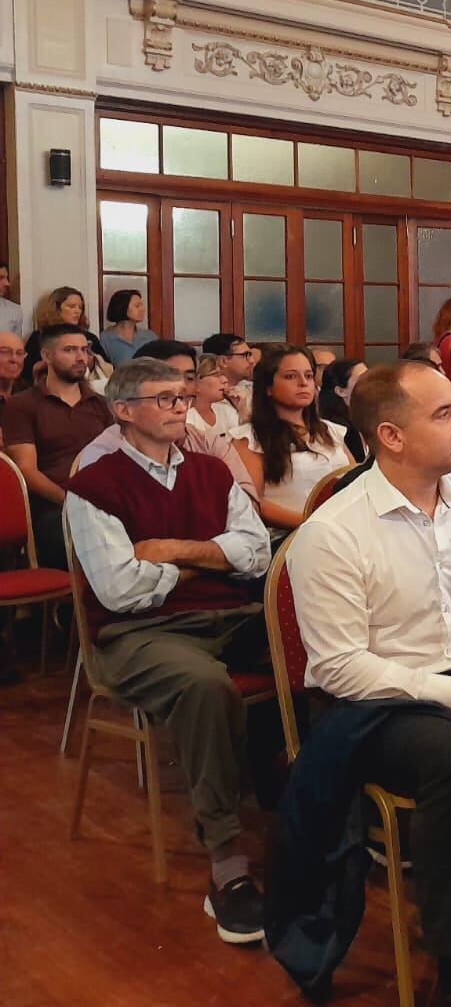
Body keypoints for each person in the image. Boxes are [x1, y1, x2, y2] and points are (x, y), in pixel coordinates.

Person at [287, 362, 451, 1007]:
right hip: (372, 702)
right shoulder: (334, 531)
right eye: (443, 413)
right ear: (391, 436)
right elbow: (340, 666)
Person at [63, 357, 271, 943]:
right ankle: (227, 864)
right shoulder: (93, 486)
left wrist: (173, 551)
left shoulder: (210, 471)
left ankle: (327, 808)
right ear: (124, 412)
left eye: (182, 396)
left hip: (228, 617)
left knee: (313, 646)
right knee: (204, 685)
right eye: (165, 399)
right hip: (138, 635)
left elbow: (256, 554)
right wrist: (212, 558)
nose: (181, 407)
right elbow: (121, 590)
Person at [79, 341, 258, 504]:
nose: (180, 389)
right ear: (125, 409)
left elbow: (247, 505)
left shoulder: (208, 445)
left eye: (189, 378)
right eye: (164, 388)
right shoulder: (102, 459)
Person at [2, 324, 115, 568]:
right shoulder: (22, 405)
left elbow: (117, 457)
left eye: (84, 350)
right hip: (53, 503)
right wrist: (70, 501)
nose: (81, 357)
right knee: (83, 538)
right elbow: (27, 471)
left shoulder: (101, 404)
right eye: (70, 350)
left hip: (104, 498)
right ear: (47, 355)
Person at [231, 347, 351, 538]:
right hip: (289, 537)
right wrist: (313, 524)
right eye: (291, 377)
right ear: (268, 387)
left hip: (343, 531)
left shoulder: (330, 430)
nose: (303, 383)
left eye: (309, 376)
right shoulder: (250, 439)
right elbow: (253, 502)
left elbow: (354, 479)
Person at [24, 286, 109, 384]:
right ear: (57, 309)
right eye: (71, 306)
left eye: (80, 307)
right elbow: (27, 372)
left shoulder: (90, 337)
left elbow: (108, 368)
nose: (77, 311)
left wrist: (92, 363)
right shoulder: (39, 337)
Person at [317, 359, 369, 465]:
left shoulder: (368, 420)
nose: (371, 384)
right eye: (363, 379)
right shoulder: (336, 430)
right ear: (340, 391)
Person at [189, 353, 242, 442]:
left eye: (223, 375)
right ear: (196, 383)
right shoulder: (188, 419)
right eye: (216, 375)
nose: (225, 380)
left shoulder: (226, 410)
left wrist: (241, 410)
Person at [202, 333, 255, 420]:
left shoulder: (252, 389)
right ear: (223, 361)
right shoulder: (207, 398)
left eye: (250, 355)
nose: (252, 360)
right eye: (245, 355)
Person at [99, 289, 157, 367]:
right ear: (122, 307)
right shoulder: (106, 338)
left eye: (142, 305)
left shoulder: (149, 336)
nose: (142, 309)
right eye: (137, 306)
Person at [0, 263, 28, 338]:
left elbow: (16, 343)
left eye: (6, 278)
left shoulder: (15, 311)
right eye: (0, 278)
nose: (7, 283)